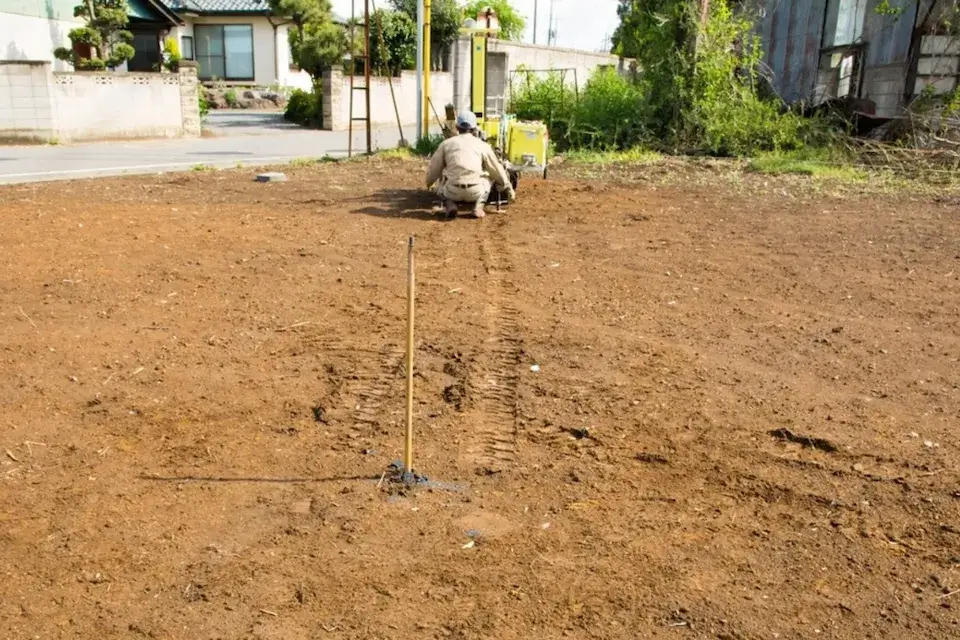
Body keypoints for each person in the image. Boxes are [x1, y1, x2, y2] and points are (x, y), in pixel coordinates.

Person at [425, 111, 516, 219]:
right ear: (474, 129)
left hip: (452, 191)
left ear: (457, 127)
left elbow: (434, 169)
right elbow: (496, 170)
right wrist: (507, 187)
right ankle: (478, 207)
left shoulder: (446, 144)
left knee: (440, 187)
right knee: (488, 180)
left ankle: (450, 204)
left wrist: (429, 183)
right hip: (475, 192)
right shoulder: (483, 145)